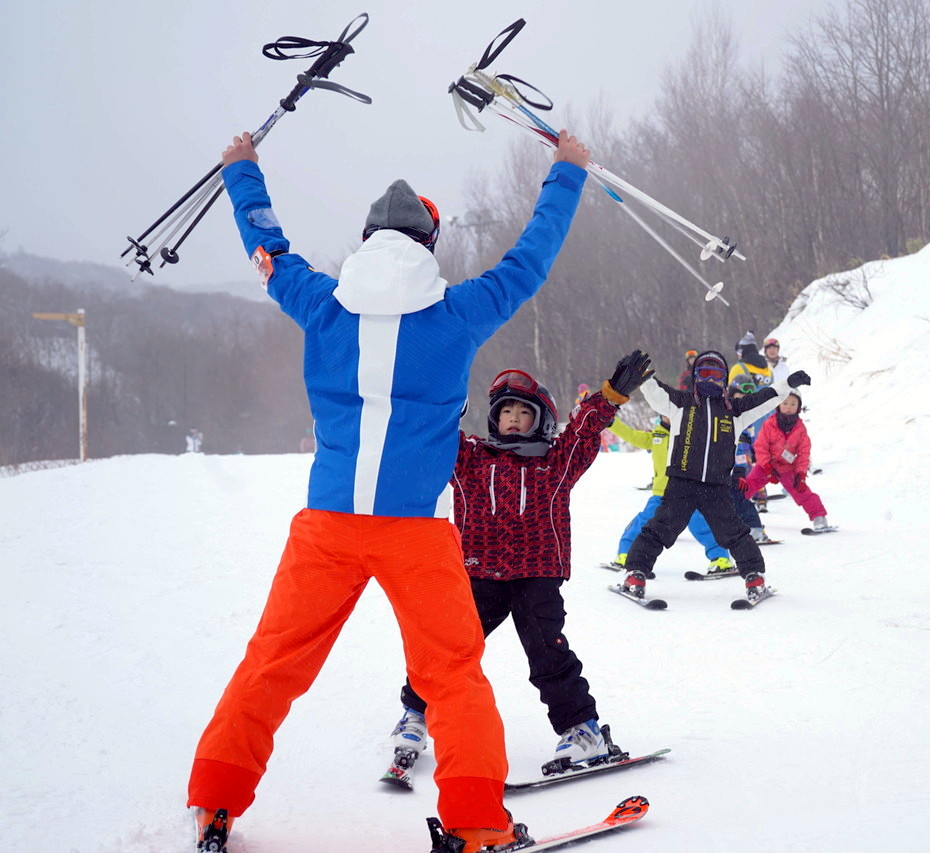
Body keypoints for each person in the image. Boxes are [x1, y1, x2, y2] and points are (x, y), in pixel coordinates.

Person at [188, 128, 592, 853]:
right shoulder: (459, 311)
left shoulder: (320, 301)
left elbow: (266, 247)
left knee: (271, 663)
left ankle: (215, 800)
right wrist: (566, 171)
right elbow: (533, 256)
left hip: (326, 527)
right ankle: (476, 822)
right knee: (454, 677)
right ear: (427, 245)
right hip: (416, 533)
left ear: (369, 240)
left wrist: (241, 169)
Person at [390, 352, 653, 786]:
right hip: (478, 573)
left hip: (537, 575)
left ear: (540, 420)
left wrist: (609, 397)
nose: (513, 418)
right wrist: (435, 395)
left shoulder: (554, 463)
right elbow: (434, 432)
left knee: (547, 654)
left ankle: (583, 731)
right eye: (506, 410)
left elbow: (583, 434)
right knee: (447, 647)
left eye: (523, 412)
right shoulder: (470, 459)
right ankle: (414, 714)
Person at [619, 352, 810, 601]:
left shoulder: (735, 410)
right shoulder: (680, 402)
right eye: (705, 373)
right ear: (696, 377)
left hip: (716, 486)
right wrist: (642, 377)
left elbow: (766, 398)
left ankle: (754, 576)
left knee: (733, 531)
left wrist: (787, 384)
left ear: (724, 379)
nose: (710, 379)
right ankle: (635, 573)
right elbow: (656, 392)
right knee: (659, 528)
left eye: (716, 374)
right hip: (681, 484)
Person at [608, 413, 735, 575]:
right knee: (644, 522)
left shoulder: (691, 435)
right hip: (661, 494)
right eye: (664, 412)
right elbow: (631, 435)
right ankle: (625, 554)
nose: (669, 415)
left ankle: (721, 558)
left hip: (687, 493)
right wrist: (611, 423)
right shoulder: (655, 436)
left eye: (672, 411)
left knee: (702, 524)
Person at [741, 390, 831, 531]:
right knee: (748, 485)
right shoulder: (769, 424)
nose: (789, 407)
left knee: (802, 491)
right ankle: (730, 514)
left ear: (798, 408)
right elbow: (760, 446)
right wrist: (767, 467)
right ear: (778, 405)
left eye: (793, 404)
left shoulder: (800, 429)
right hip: (766, 466)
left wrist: (801, 474)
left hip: (787, 468)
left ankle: (819, 517)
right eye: (785, 403)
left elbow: (803, 453)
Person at [726, 376, 772, 544]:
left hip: (741, 468)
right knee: (732, 501)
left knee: (740, 500)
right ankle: (748, 528)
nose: (743, 403)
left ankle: (755, 529)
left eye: (747, 399)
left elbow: (752, 442)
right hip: (725, 467)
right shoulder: (726, 415)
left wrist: (756, 456)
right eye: (739, 398)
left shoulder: (748, 419)